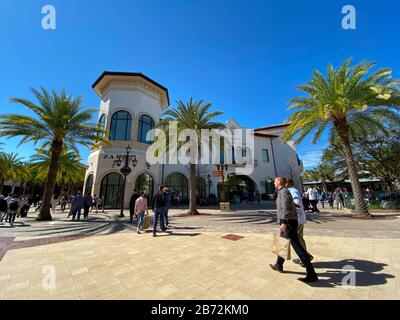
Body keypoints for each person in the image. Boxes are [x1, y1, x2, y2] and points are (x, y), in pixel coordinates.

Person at [269, 177, 318, 283]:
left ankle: (311, 273)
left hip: (289, 223)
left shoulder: (284, 192)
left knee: (298, 248)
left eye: (275, 181)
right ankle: (278, 265)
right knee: (281, 244)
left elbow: (286, 208)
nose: (273, 183)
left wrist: (284, 222)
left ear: (279, 182)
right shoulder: (281, 192)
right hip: (288, 222)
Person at [286, 178, 314, 266]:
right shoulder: (293, 190)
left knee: (290, 238)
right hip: (297, 218)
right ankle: (305, 256)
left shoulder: (291, 191)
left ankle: (305, 257)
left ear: (287, 183)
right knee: (298, 238)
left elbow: (296, 202)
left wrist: (292, 214)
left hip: (295, 219)